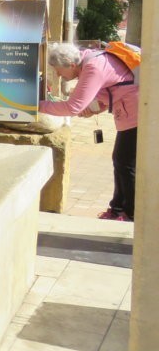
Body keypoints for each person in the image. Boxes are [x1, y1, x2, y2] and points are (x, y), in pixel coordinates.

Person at [39, 42, 138, 221]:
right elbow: (117, 83)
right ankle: (117, 209)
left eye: (59, 70)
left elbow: (73, 107)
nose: (58, 75)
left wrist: (35, 107)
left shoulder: (92, 67)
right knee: (121, 161)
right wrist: (96, 107)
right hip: (127, 110)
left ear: (71, 64)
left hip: (137, 111)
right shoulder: (89, 59)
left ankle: (131, 213)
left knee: (125, 163)